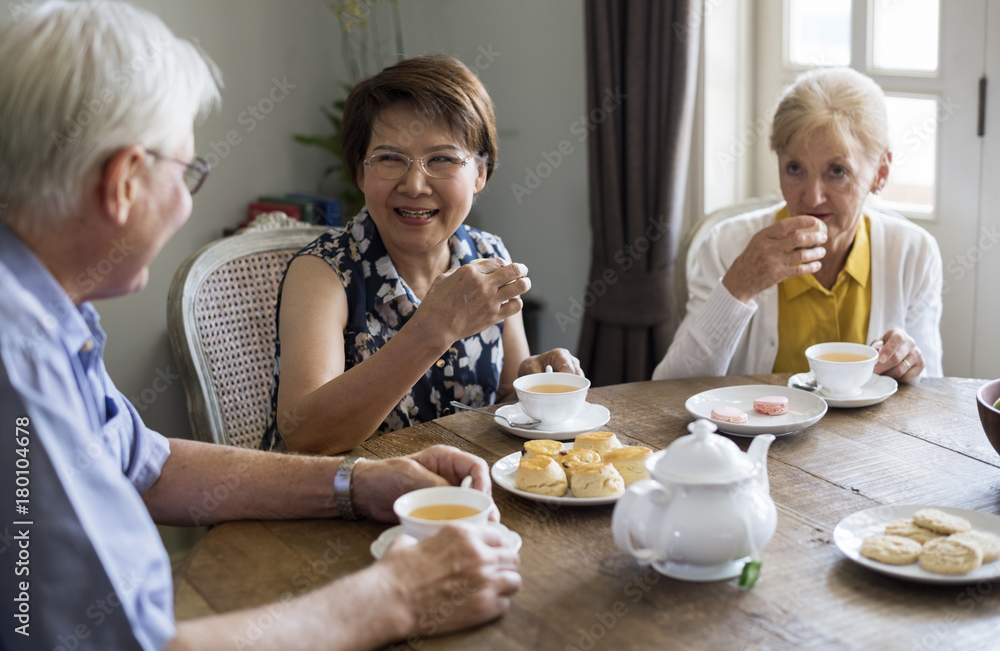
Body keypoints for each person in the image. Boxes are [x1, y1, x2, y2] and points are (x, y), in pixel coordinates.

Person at [0, 0, 519, 651]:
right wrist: (394, 595)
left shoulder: (47, 316)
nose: (188, 202)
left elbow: (147, 463)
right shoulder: (17, 356)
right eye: (187, 172)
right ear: (124, 181)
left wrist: (358, 482)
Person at [261, 54, 582, 455]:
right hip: (342, 502)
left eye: (442, 159)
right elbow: (307, 437)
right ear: (360, 172)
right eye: (390, 159)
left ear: (480, 173)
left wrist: (534, 381)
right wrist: (434, 327)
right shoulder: (324, 272)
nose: (414, 185)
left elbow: (505, 395)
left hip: (463, 497)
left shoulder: (487, 254)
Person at [653, 67, 943, 382]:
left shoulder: (914, 254)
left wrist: (908, 369)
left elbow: (928, 397)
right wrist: (738, 287)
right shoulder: (726, 246)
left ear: (880, 173)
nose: (813, 197)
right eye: (794, 168)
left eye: (837, 171)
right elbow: (669, 388)